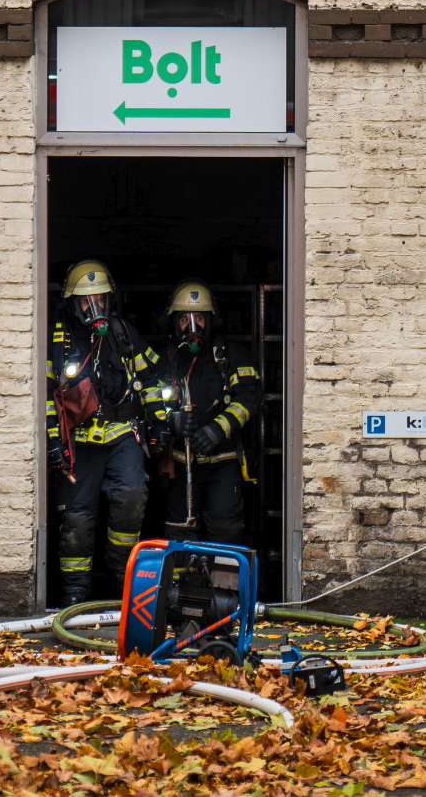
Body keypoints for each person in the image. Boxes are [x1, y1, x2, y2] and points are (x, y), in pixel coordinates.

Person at [47, 259, 166, 606]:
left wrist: (158, 419)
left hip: (120, 434)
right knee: (77, 518)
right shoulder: (58, 339)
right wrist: (53, 438)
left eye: (100, 298)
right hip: (78, 442)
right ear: (72, 302)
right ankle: (74, 594)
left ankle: (123, 579)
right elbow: (43, 391)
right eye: (86, 300)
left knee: (131, 493)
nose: (94, 306)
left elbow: (151, 378)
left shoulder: (122, 333)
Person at [152, 279, 263, 544]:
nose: (192, 326)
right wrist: (172, 419)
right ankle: (179, 585)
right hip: (180, 463)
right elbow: (150, 402)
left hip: (223, 462)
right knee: (180, 530)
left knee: (225, 529)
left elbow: (249, 397)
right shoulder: (165, 359)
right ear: (173, 323)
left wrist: (218, 428)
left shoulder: (231, 355)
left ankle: (222, 587)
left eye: (199, 317)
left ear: (211, 320)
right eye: (184, 319)